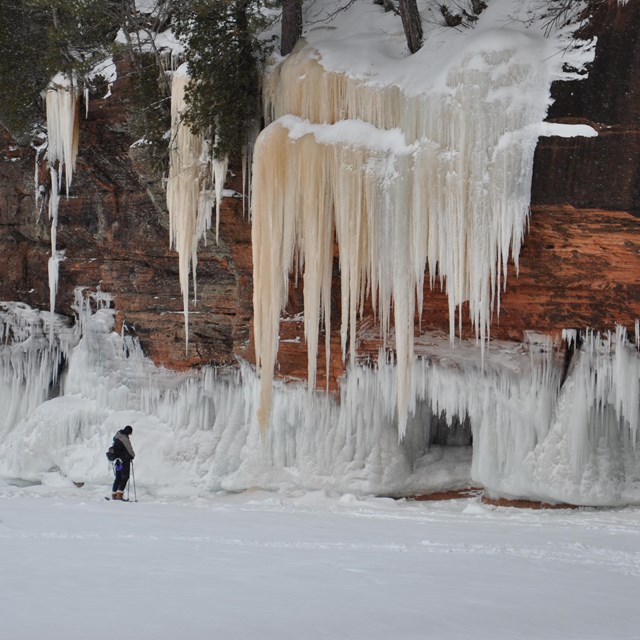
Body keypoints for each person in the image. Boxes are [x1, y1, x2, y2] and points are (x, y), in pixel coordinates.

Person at [111, 425, 135, 500]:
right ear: (128, 432)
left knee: (118, 477)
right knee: (125, 477)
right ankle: (119, 495)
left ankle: (114, 494)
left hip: (118, 462)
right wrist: (132, 456)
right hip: (124, 462)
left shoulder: (117, 437)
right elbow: (130, 452)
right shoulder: (124, 439)